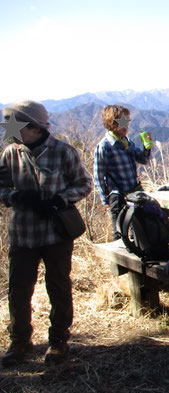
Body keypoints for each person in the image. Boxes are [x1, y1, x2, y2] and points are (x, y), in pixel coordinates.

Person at [0, 100, 93, 366]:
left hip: (56, 234)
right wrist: (17, 196)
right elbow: (1, 188)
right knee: (18, 290)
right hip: (23, 234)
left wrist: (60, 200)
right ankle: (19, 341)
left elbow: (84, 183)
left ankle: (58, 340)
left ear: (35, 127)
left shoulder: (64, 152)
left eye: (15, 125)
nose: (11, 132)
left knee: (59, 287)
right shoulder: (10, 154)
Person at [94, 105, 152, 240]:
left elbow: (143, 159)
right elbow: (98, 176)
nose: (126, 125)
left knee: (139, 231)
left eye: (127, 121)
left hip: (135, 194)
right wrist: (106, 198)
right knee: (121, 233)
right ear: (112, 123)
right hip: (118, 197)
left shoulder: (127, 142)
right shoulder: (104, 146)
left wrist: (147, 147)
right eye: (122, 121)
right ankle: (120, 260)